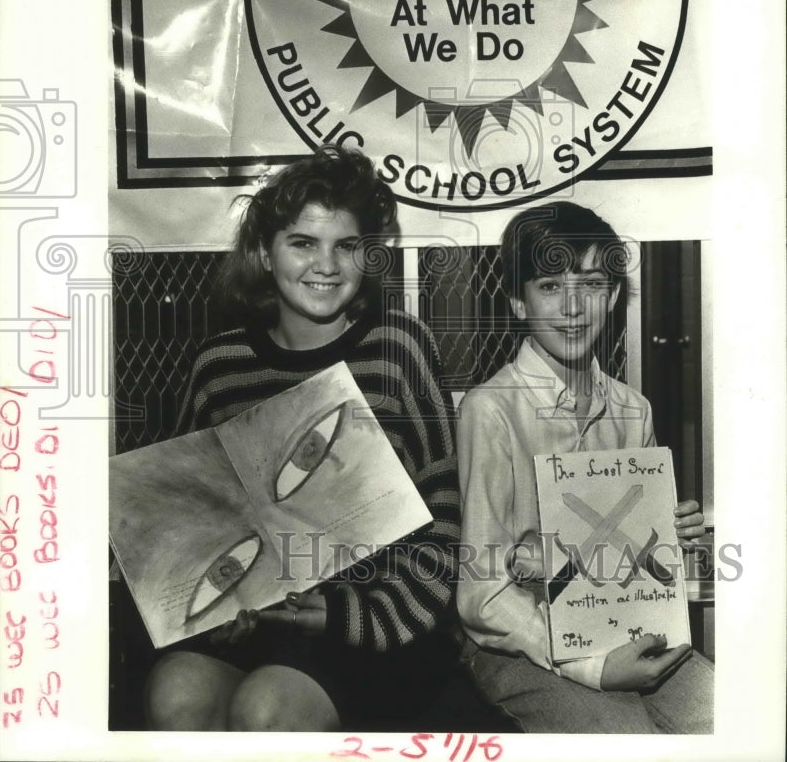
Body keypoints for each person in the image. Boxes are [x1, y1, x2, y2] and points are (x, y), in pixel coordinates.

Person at [145, 145, 460, 732]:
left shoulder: (398, 349)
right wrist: (209, 607)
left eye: (346, 246)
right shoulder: (220, 363)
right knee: (176, 695)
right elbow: (187, 527)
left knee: (266, 709)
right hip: (256, 624)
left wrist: (351, 615)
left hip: (376, 625)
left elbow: (445, 518)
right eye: (303, 244)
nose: (327, 265)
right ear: (265, 254)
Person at [456, 201, 713, 734]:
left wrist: (671, 537)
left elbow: (638, 566)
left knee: (722, 713)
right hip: (520, 640)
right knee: (623, 737)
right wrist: (592, 667)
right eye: (549, 286)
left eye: (592, 284)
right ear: (517, 301)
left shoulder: (633, 409)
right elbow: (482, 593)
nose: (573, 307)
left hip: (622, 625)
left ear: (613, 296)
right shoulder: (491, 409)